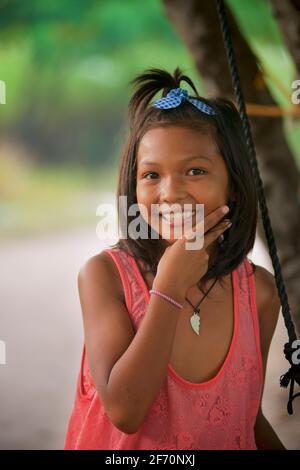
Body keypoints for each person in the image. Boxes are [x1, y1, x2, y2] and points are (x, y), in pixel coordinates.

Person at [64, 67, 286, 450]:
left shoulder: (259, 292)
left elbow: (248, 418)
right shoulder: (105, 276)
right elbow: (125, 411)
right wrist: (168, 288)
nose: (170, 193)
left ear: (233, 182)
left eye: (195, 170)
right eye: (151, 175)